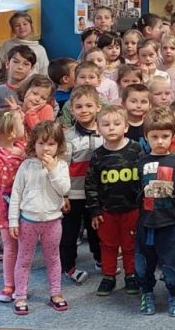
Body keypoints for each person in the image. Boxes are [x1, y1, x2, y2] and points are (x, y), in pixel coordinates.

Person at [8, 120, 71, 316]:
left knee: (53, 258)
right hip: (28, 221)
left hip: (53, 221)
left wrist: (52, 169)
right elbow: (16, 194)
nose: (46, 148)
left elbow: (64, 189)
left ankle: (56, 293)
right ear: (33, 144)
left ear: (59, 146)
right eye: (41, 143)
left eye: (51, 144)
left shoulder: (61, 166)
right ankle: (20, 295)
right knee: (24, 259)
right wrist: (13, 220)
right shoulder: (26, 166)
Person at [84, 104, 143, 297]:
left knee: (130, 245)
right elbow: (91, 184)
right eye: (106, 124)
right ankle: (108, 276)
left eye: (117, 124)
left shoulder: (136, 150)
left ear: (126, 127)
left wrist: (145, 206)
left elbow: (145, 179)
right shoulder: (98, 155)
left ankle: (131, 275)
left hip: (132, 209)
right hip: (106, 211)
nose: (111, 128)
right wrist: (94, 210)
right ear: (98, 128)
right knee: (108, 245)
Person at [135, 108, 175, 317]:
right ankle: (146, 293)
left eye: (165, 136)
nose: (160, 141)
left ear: (172, 136)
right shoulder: (141, 162)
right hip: (146, 223)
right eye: (154, 136)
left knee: (173, 263)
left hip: (171, 223)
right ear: (146, 137)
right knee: (143, 263)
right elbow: (136, 192)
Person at [60, 85, 103, 284]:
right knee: (70, 233)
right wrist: (64, 195)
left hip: (97, 194)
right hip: (74, 194)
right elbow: (62, 168)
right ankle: (68, 266)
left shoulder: (106, 132)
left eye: (89, 105)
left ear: (98, 107)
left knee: (98, 229)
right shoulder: (68, 137)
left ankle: (100, 259)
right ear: (72, 110)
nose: (84, 110)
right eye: (79, 106)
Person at [0, 109, 26, 302]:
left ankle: (21, 283)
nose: (23, 127)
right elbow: (4, 181)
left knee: (24, 247)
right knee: (10, 247)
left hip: (26, 207)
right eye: (20, 125)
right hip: (6, 208)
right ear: (10, 132)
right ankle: (9, 284)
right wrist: (16, 158)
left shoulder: (21, 145)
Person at [0, 11, 49, 76]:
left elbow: (44, 71)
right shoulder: (8, 44)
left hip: (32, 82)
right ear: (13, 30)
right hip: (12, 81)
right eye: (17, 25)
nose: (21, 27)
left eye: (25, 24)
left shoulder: (40, 49)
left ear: (31, 26)